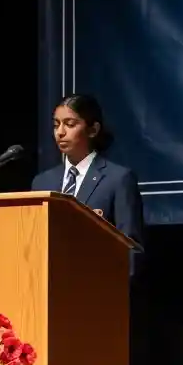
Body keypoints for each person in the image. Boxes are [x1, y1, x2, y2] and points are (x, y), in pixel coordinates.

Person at [32, 93, 146, 270]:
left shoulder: (118, 179)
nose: (60, 132)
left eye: (70, 124)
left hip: (99, 287)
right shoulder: (42, 182)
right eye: (56, 125)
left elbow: (131, 248)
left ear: (93, 130)